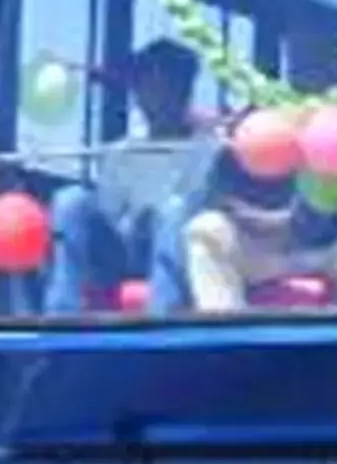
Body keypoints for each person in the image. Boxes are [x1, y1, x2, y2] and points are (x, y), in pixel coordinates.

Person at [182, 34, 337, 311]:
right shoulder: (262, 123)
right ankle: (226, 338)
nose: (312, 80)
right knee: (205, 229)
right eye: (302, 69)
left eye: (322, 66)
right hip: (270, 252)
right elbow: (219, 195)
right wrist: (265, 222)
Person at [46, 40, 216, 313]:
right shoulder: (120, 152)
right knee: (70, 200)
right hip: (125, 251)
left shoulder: (208, 151)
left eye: (163, 84)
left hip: (179, 248)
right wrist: (131, 224)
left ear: (183, 90)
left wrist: (158, 217)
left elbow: (201, 215)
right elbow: (110, 213)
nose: (151, 95)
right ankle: (61, 314)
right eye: (146, 84)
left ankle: (161, 317)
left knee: (173, 212)